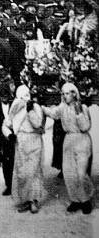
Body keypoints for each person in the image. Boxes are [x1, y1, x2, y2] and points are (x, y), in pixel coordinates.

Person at [42, 82, 94, 214]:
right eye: (63, 94)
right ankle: (75, 200)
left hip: (82, 140)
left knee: (81, 174)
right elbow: (53, 113)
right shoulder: (62, 107)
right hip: (69, 140)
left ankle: (85, 200)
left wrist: (78, 113)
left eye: (68, 94)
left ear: (74, 93)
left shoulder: (83, 107)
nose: (65, 96)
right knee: (69, 173)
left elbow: (85, 127)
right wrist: (40, 107)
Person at [2, 85, 45, 214]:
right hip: (20, 141)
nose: (24, 98)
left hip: (34, 140)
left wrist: (30, 110)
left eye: (26, 95)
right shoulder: (15, 107)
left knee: (34, 171)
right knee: (22, 172)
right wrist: (9, 135)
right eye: (21, 96)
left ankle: (34, 201)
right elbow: (7, 123)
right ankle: (25, 199)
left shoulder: (35, 107)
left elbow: (38, 124)